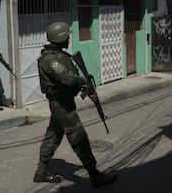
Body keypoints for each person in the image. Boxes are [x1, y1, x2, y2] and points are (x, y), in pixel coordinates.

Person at [33, 22, 117, 188]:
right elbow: (67, 79)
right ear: (60, 37)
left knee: (53, 135)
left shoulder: (60, 56)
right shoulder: (50, 59)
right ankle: (95, 176)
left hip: (63, 103)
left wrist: (85, 88)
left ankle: (41, 172)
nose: (69, 38)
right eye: (67, 36)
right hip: (61, 106)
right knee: (79, 138)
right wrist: (84, 80)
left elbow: (69, 82)